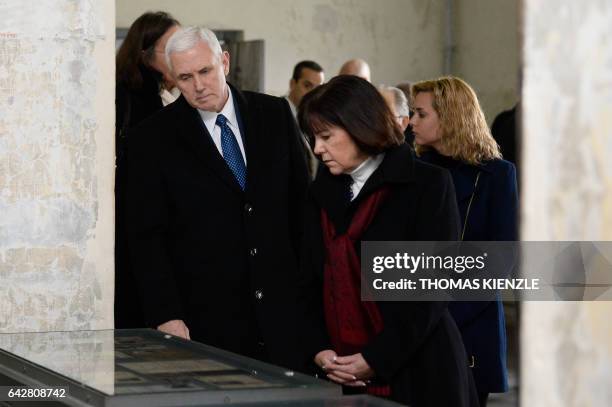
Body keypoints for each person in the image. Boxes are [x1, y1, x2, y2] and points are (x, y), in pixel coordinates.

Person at [125, 26, 310, 371]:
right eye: (185, 77)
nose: (198, 85)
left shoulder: (274, 115)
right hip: (207, 322)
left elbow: (302, 211)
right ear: (171, 79)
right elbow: (146, 239)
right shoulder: (150, 140)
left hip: (283, 314)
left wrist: (312, 302)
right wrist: (166, 315)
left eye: (205, 71)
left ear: (224, 62)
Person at [298, 75, 478, 407]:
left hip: (420, 370)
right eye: (313, 138)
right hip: (338, 373)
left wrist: (376, 358)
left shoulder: (427, 185)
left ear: (360, 127)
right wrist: (319, 349)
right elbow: (309, 279)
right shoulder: (319, 192)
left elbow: (432, 289)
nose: (317, 149)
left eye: (325, 136)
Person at [412, 76, 518, 407]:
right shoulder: (414, 170)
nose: (412, 122)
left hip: (470, 321)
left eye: (421, 114)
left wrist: (443, 316)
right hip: (413, 326)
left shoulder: (497, 175)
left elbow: (500, 259)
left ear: (450, 115)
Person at [114, 11, 180, 329]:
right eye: (171, 47)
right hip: (140, 229)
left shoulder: (162, 95)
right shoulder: (141, 100)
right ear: (146, 54)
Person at [285, 60, 325, 178]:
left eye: (318, 88)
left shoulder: (320, 119)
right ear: (292, 84)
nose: (313, 93)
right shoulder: (275, 114)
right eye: (307, 85)